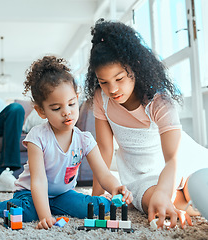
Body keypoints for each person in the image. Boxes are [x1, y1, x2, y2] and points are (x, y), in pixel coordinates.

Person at [0, 56, 133, 230]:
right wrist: (45, 215)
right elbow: (38, 181)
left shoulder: (84, 139)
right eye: (56, 108)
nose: (67, 112)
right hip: (30, 194)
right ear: (41, 111)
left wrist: (116, 187)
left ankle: (65, 205)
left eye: (71, 104)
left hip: (63, 194)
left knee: (94, 208)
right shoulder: (37, 137)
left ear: (76, 99)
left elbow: (103, 174)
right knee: (28, 213)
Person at [85, 19, 208, 229]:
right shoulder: (101, 98)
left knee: (195, 188)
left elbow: (173, 159)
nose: (112, 89)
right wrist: (96, 198)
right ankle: (176, 201)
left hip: (178, 162)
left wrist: (164, 190)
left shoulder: (159, 101)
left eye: (120, 78)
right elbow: (104, 150)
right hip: (142, 176)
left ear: (136, 68)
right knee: (157, 203)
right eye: (104, 82)